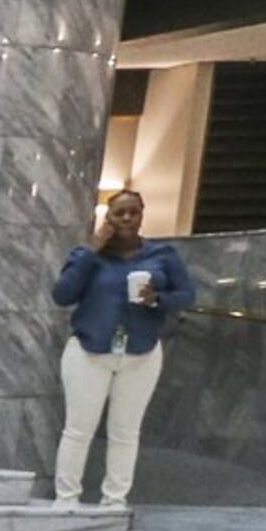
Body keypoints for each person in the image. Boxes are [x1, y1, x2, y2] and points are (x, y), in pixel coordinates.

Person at [50, 187, 195, 513]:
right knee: (78, 429)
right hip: (89, 350)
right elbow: (62, 294)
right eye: (120, 212)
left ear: (142, 215)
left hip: (141, 353)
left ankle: (114, 501)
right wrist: (92, 250)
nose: (128, 218)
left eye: (134, 212)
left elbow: (186, 295)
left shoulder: (163, 255)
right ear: (108, 216)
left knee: (126, 432)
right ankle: (66, 499)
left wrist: (157, 298)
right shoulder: (86, 254)